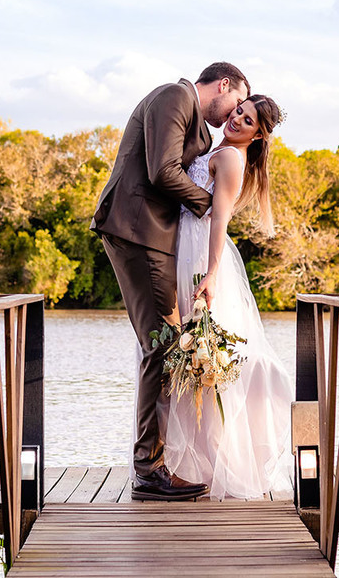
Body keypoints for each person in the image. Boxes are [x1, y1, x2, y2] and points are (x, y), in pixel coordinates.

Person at [91, 62, 249, 501]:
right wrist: (210, 206)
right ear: (223, 85)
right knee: (161, 345)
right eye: (236, 102)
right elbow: (162, 170)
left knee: (167, 344)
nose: (233, 113)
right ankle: (149, 469)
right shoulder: (174, 96)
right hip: (137, 229)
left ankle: (156, 463)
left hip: (153, 236)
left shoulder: (198, 127)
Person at [164, 94, 293, 500]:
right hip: (182, 245)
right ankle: (190, 463)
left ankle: (208, 462)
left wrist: (211, 274)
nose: (236, 118)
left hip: (198, 253)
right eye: (239, 110)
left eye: (248, 120)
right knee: (189, 358)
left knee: (201, 360)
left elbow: (219, 218)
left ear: (258, 135)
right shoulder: (215, 147)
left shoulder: (232, 159)